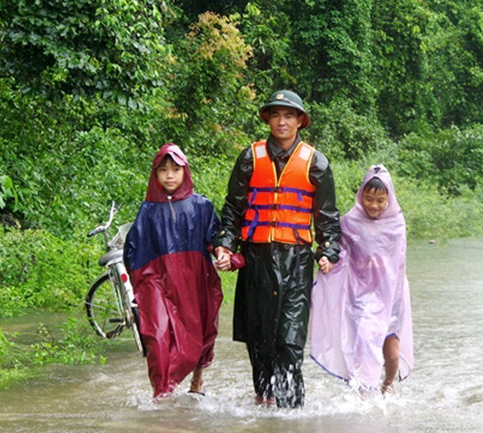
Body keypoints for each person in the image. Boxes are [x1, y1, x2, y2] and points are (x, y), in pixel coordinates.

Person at [214, 90, 341, 408]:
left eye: (288, 115)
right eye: (275, 115)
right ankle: (263, 405)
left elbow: (327, 216)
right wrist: (225, 246)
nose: (281, 121)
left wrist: (328, 251)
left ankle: (291, 415)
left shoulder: (317, 163)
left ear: (300, 121)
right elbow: (233, 209)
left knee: (289, 340)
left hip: (296, 262)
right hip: (256, 259)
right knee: (259, 340)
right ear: (268, 119)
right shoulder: (249, 158)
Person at [124, 143, 223, 399]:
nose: (169, 175)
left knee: (201, 331)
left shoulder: (201, 206)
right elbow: (133, 250)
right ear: (155, 174)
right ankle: (161, 393)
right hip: (156, 281)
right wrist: (141, 285)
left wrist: (224, 253)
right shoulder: (147, 212)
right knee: (156, 334)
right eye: (163, 169)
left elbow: (216, 237)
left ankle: (197, 381)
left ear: (185, 172)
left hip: (194, 281)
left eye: (176, 169)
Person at [310, 165, 413, 395]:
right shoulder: (350, 222)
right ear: (360, 196)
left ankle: (387, 382)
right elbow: (340, 252)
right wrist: (329, 261)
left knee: (392, 354)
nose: (373, 205)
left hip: (391, 295)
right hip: (360, 294)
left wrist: (392, 294)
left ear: (389, 198)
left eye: (380, 200)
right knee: (365, 342)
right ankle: (363, 393)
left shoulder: (396, 224)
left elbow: (399, 263)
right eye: (368, 199)